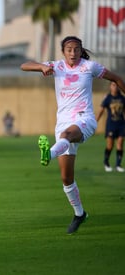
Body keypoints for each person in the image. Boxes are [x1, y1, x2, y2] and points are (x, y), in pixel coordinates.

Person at [20, 36, 125, 234]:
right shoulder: (56, 66)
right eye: (69, 49)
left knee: (66, 134)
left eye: (76, 49)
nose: (73, 53)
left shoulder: (90, 67)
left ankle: (47, 154)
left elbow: (117, 79)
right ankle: (79, 214)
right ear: (63, 51)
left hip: (84, 119)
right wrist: (42, 67)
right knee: (66, 178)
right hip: (63, 122)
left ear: (80, 50)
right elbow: (24, 65)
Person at [96, 81, 125, 172]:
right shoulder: (108, 98)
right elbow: (101, 111)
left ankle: (118, 165)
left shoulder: (122, 98)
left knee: (120, 144)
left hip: (121, 124)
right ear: (110, 87)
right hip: (111, 125)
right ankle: (106, 162)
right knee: (110, 145)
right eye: (113, 85)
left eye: (116, 85)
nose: (115, 87)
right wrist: (95, 122)